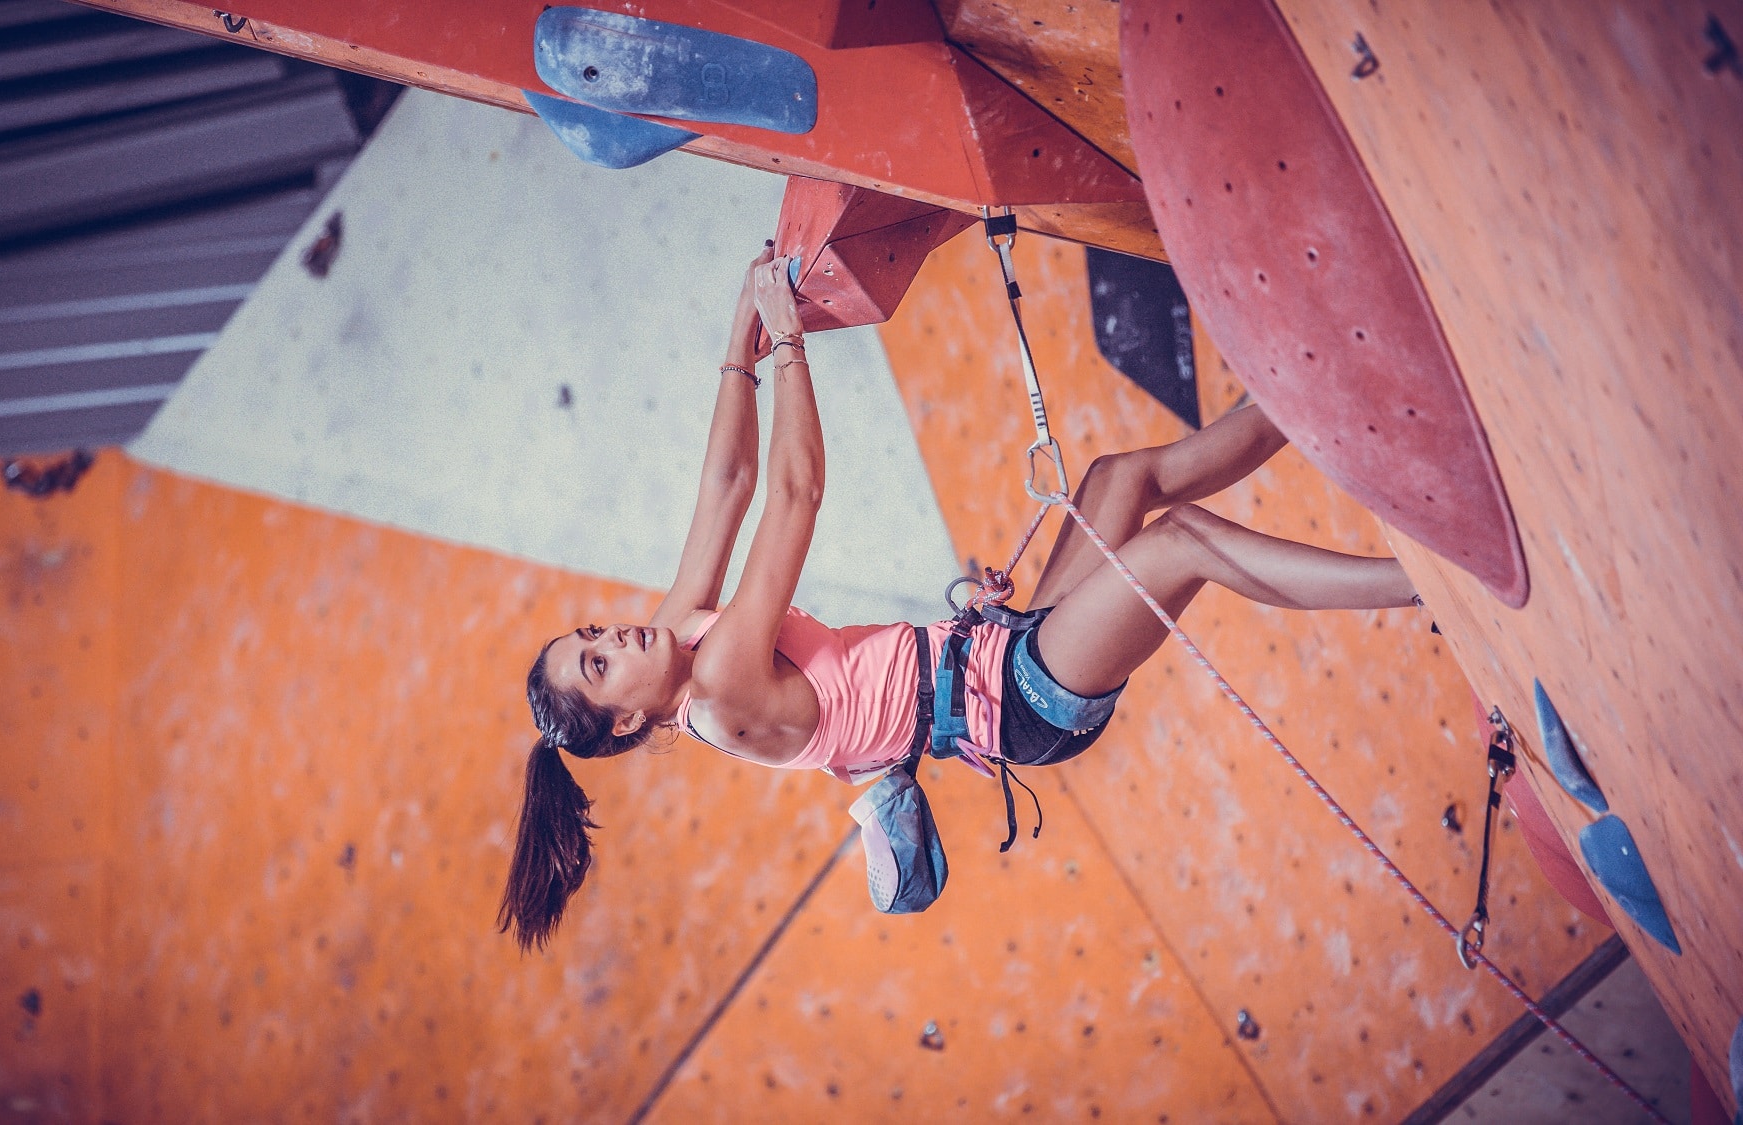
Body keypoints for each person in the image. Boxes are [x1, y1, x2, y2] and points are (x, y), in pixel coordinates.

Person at [498, 244, 1416, 951]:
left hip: (995, 652)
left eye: (591, 634)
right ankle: (1421, 588)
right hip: (1024, 702)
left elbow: (730, 483)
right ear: (624, 723)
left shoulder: (678, 636)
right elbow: (793, 496)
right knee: (1176, 549)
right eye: (598, 661)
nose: (613, 634)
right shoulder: (721, 690)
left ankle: (1332, 377)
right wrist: (785, 345)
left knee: (1121, 479)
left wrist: (737, 331)